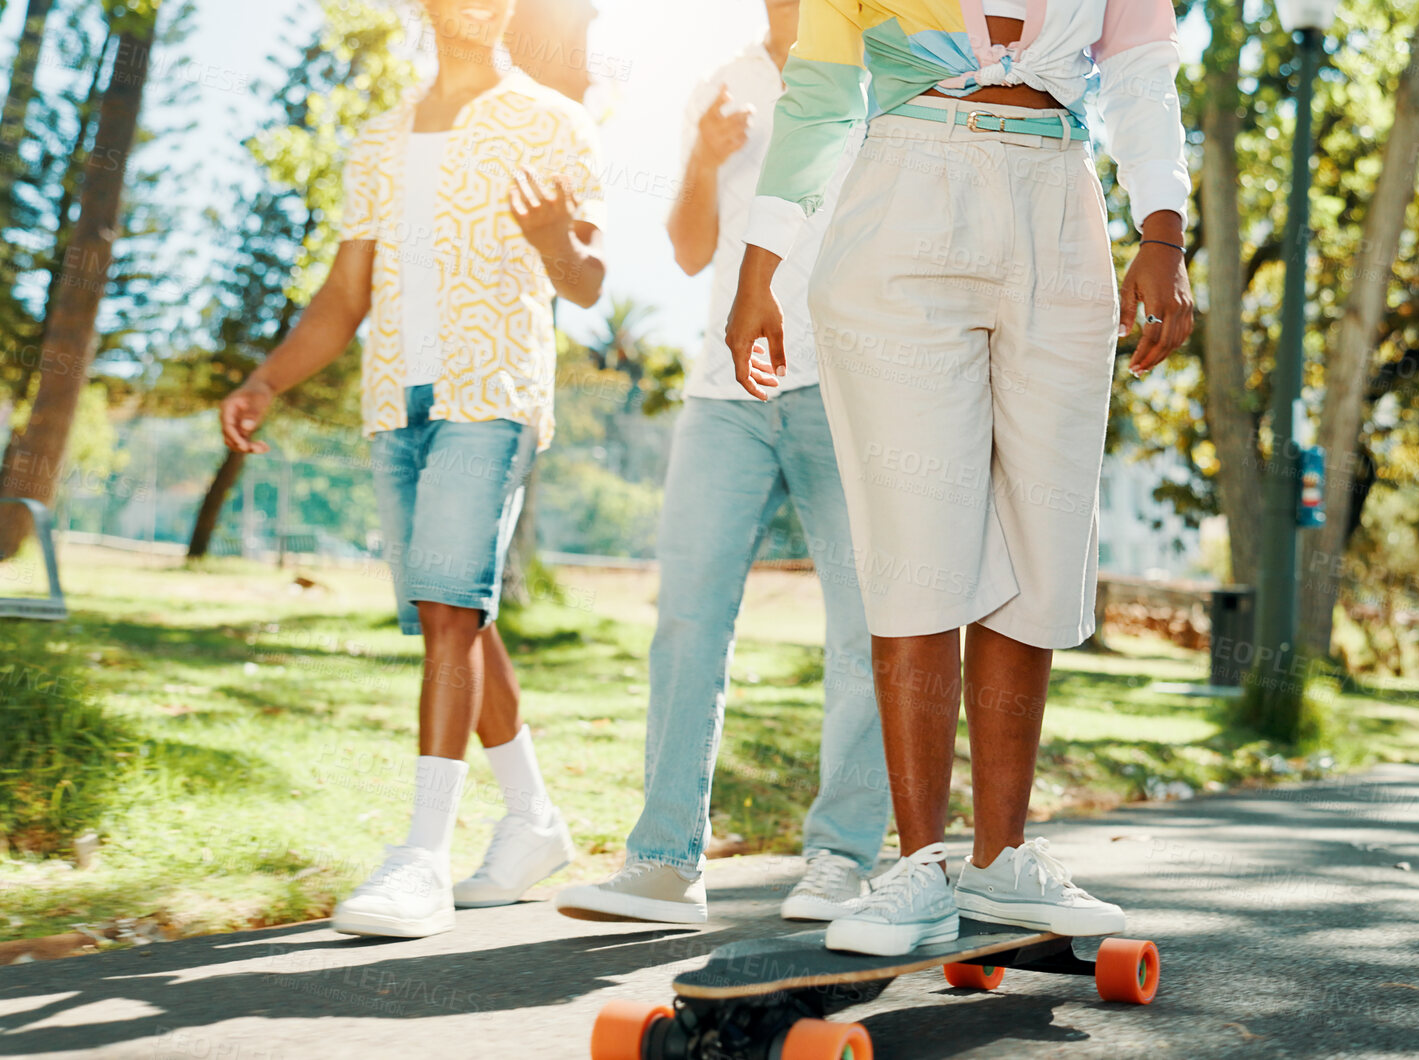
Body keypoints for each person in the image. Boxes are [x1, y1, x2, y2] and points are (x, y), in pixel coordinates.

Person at [726, 0, 1194, 956]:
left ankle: (1001, 858)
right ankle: (918, 866)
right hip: (903, 191)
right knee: (915, 542)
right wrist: (758, 267)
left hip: (1060, 200)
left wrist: (1163, 232)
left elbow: (1143, 79)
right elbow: (818, 91)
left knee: (1044, 534)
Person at [219, 0, 606, 938]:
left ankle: (421, 860)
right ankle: (532, 822)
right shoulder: (380, 139)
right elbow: (346, 292)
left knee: (446, 611)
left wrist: (555, 237)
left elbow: (588, 278)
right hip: (398, 405)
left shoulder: (552, 120)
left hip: (494, 393)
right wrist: (265, 380)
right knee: (458, 611)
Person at [553, 0, 890, 925]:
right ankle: (663, 862)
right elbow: (690, 247)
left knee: (865, 629)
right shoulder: (722, 82)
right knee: (686, 621)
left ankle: (843, 860)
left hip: (846, 385)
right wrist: (703, 156)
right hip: (723, 393)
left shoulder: (883, 61)